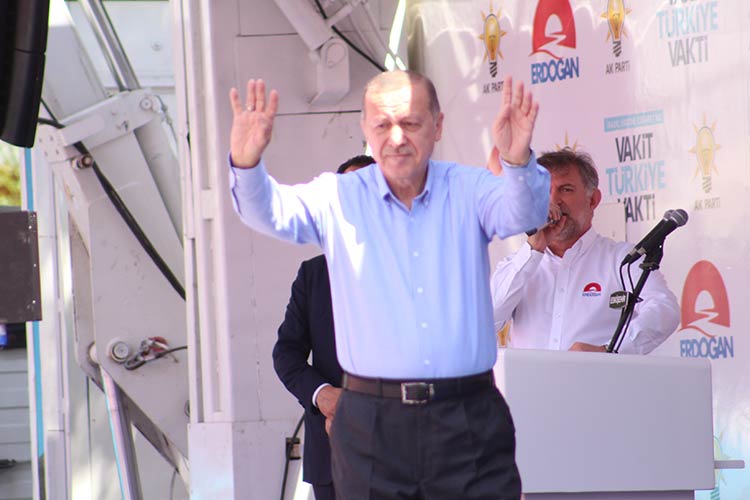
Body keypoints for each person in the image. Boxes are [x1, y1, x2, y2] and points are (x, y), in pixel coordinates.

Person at [228, 70, 551, 499]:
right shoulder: (338, 196)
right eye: (382, 125)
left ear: (437, 125)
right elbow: (271, 213)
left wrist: (517, 163)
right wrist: (247, 165)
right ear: (365, 128)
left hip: (466, 415)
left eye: (410, 123)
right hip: (371, 423)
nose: (396, 137)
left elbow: (523, 214)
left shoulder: (467, 187)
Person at [491, 148, 680, 353]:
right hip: (528, 376)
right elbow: (487, 322)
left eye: (566, 189)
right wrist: (533, 248)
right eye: (544, 191)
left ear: (593, 200)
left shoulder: (623, 260)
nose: (554, 200)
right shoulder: (517, 264)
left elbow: (664, 309)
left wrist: (609, 351)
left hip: (596, 375)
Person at [271, 154, 374, 500]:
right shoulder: (313, 275)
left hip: (406, 455)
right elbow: (286, 354)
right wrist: (322, 394)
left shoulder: (418, 268)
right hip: (332, 455)